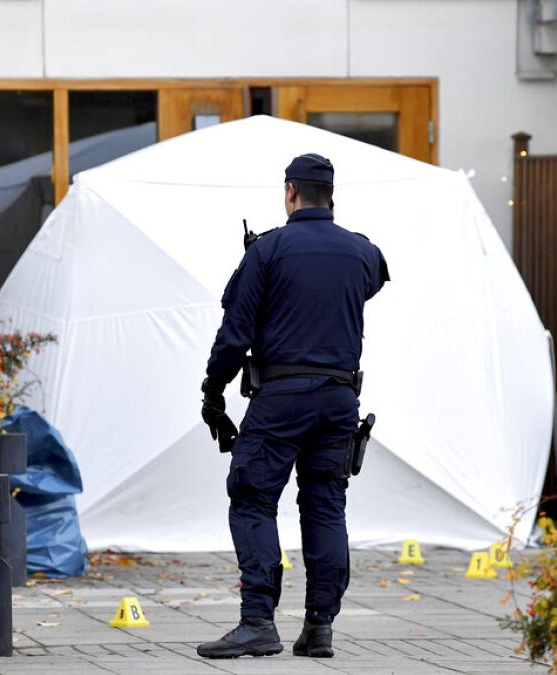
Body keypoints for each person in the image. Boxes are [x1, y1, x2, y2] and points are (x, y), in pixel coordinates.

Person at [197, 153, 390, 659]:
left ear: (289, 192)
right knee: (325, 504)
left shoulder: (268, 252)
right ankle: (319, 627)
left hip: (281, 399)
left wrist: (213, 392)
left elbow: (234, 335)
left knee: (254, 498)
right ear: (331, 196)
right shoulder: (361, 252)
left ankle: (258, 621)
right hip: (339, 400)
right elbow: (375, 275)